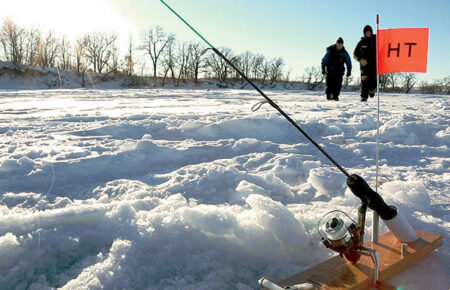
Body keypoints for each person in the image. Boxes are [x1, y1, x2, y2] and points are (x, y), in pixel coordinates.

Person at [354, 25, 377, 102]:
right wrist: (360, 59)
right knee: (364, 81)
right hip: (364, 66)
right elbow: (355, 54)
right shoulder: (361, 42)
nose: (368, 33)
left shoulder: (376, 40)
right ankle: (364, 96)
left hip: (374, 65)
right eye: (366, 32)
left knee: (373, 80)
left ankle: (371, 90)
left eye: (369, 32)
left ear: (371, 32)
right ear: (364, 33)